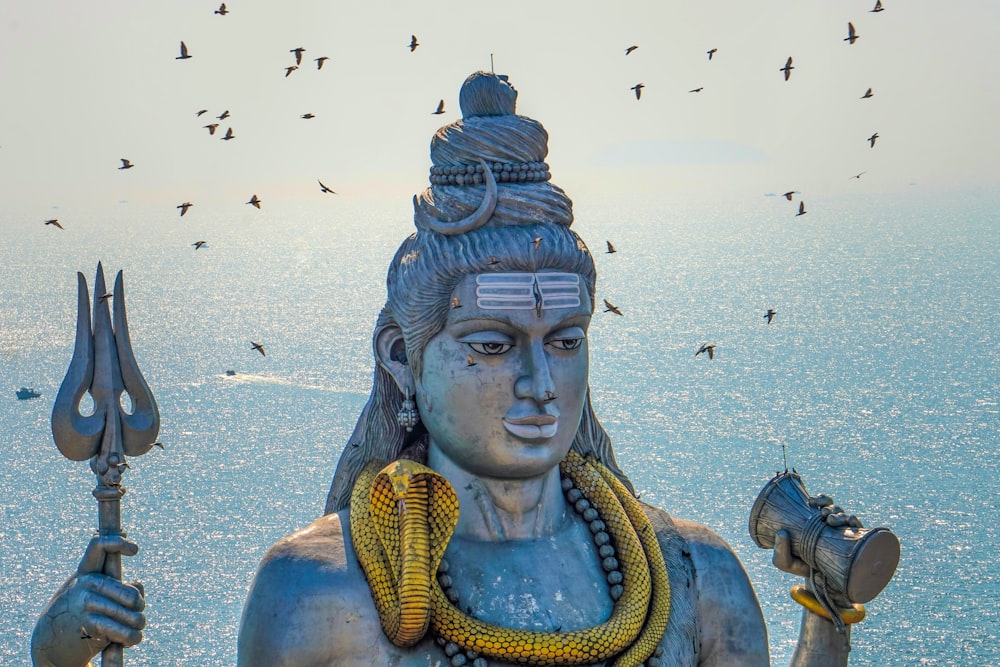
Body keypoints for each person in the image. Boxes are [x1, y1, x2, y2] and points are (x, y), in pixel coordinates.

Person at [33, 71, 863, 667]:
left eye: (565, 341)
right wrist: (60, 655)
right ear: (404, 355)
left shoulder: (693, 577)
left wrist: (827, 615)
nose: (540, 384)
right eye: (493, 345)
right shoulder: (318, 598)